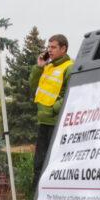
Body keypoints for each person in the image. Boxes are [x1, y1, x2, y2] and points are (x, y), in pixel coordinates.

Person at [29, 34, 74, 191]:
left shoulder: (69, 66)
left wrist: (55, 108)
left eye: (53, 47)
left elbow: (72, 92)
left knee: (52, 163)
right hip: (43, 122)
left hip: (56, 123)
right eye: (49, 47)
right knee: (38, 164)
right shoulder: (47, 66)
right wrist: (39, 66)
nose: (50, 50)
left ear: (63, 48)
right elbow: (33, 84)